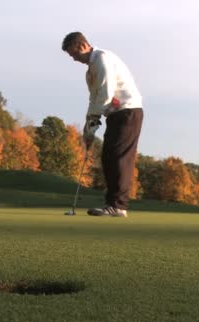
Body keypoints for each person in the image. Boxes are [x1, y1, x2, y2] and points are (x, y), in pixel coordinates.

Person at [62, 32, 144, 218]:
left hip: (128, 112)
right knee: (109, 157)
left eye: (74, 54)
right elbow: (94, 98)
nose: (74, 59)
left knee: (119, 157)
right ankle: (113, 203)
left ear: (82, 45)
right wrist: (88, 127)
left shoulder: (102, 59)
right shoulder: (91, 70)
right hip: (116, 114)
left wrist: (94, 118)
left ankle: (118, 206)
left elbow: (106, 94)